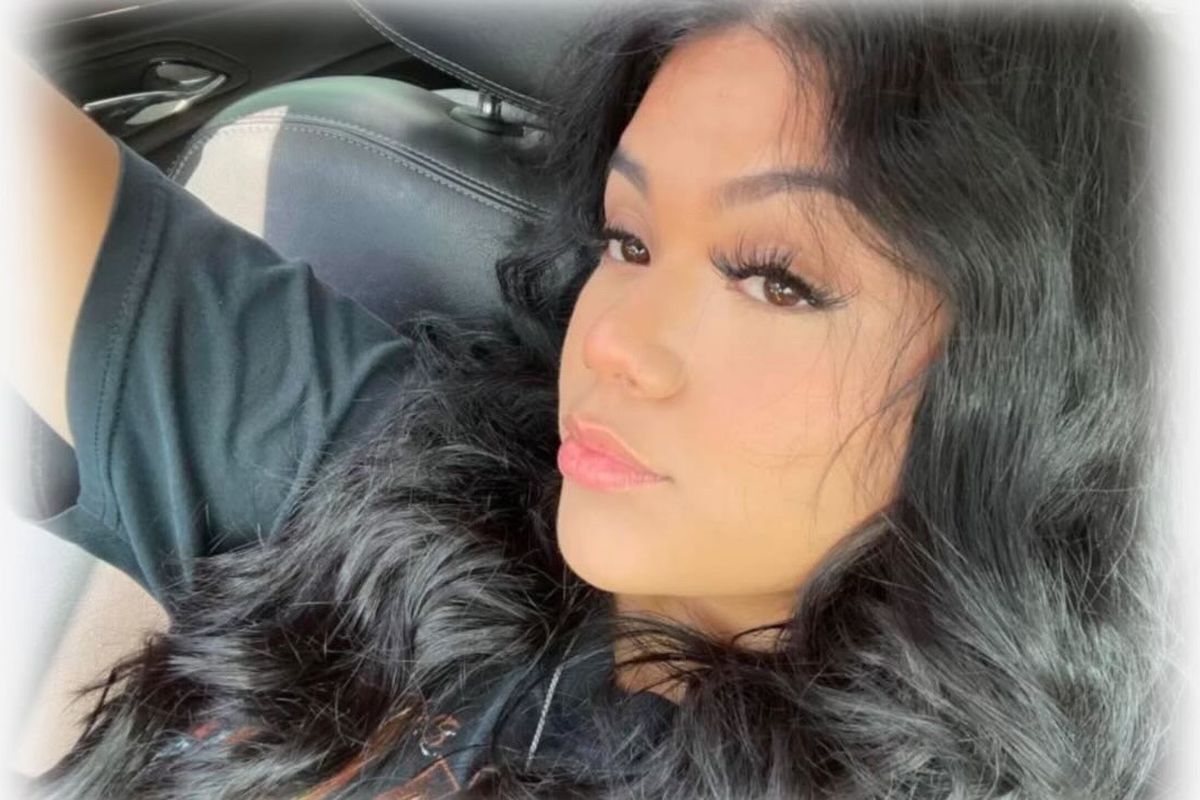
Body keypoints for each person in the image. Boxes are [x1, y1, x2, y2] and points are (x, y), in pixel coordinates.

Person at [6, 0, 1180, 797]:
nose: (614, 341)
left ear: (1020, 388)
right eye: (627, 240)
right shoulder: (408, 487)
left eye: (774, 278)